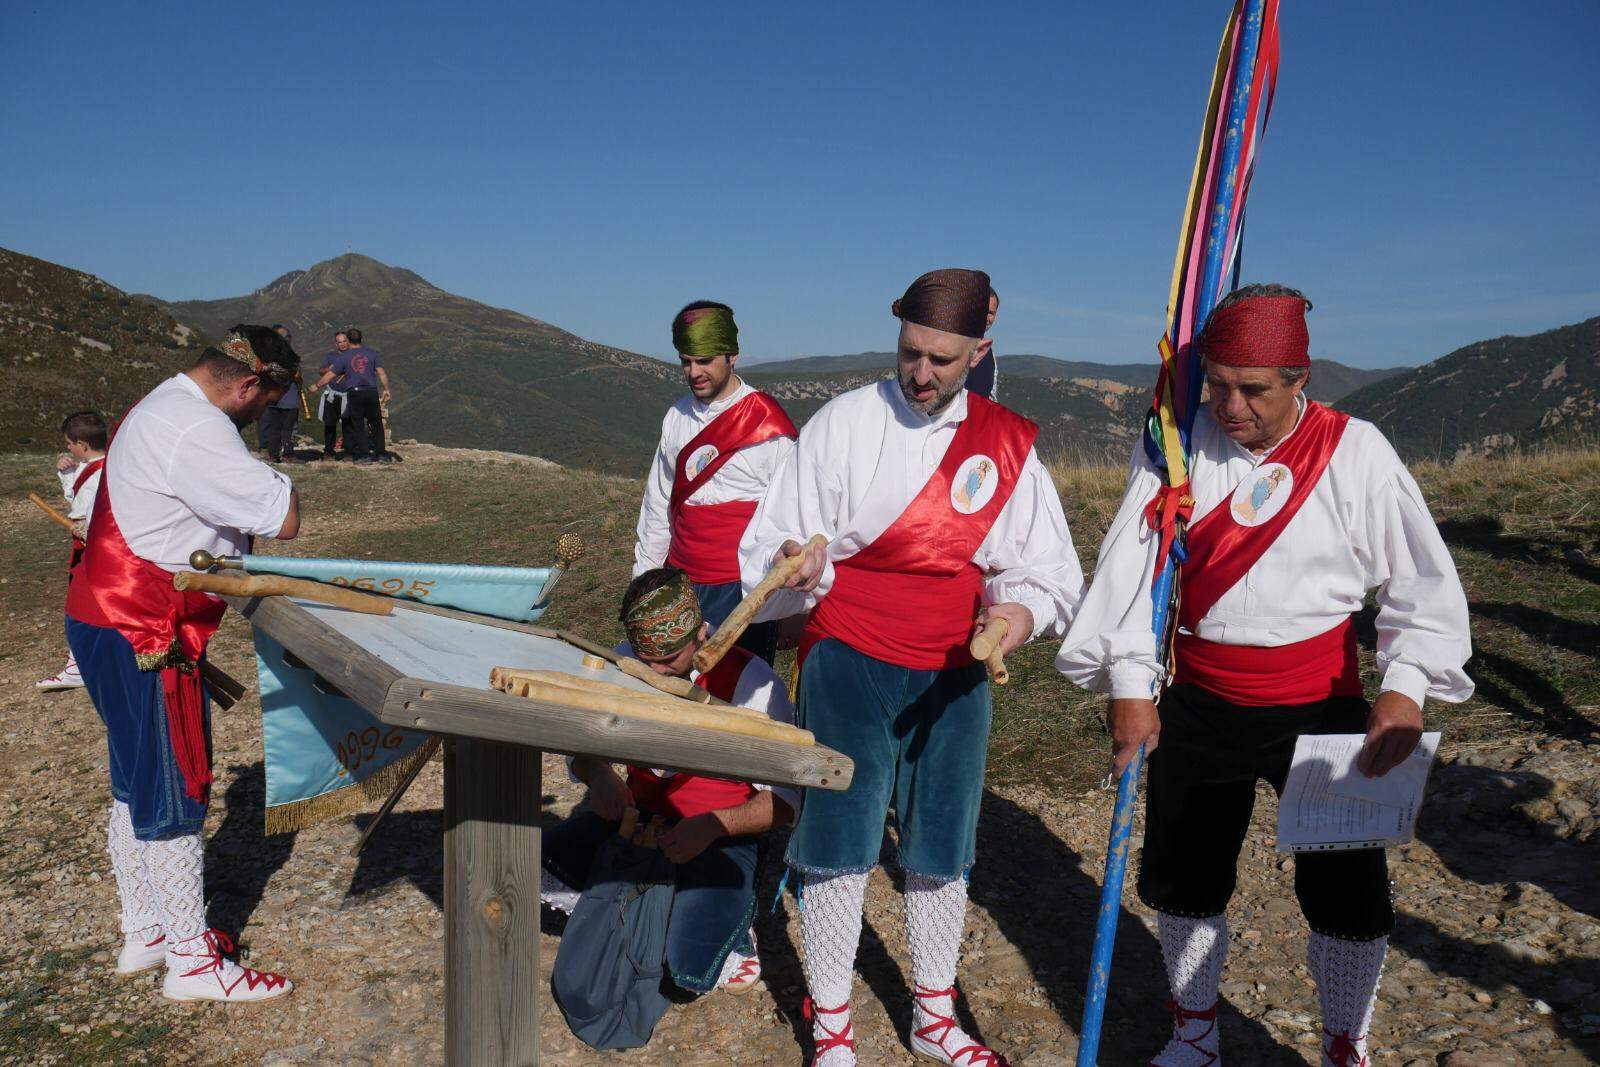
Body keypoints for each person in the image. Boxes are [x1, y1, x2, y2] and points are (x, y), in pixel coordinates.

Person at [1055, 285, 1473, 1067]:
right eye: (1217, 382)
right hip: (1198, 696)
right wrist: (1129, 686)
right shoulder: (1176, 447)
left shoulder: (1359, 451)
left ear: (1298, 379)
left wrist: (1405, 684)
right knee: (1184, 875)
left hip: (1321, 703)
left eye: (1253, 388)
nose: (1230, 403)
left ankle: (1347, 1041)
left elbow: (1421, 581)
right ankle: (1195, 1031)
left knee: (1347, 890)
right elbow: (1132, 572)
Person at [740, 268, 1086, 1066]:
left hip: (954, 663)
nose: (921, 372)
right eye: (910, 352)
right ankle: (829, 1016)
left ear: (980, 351)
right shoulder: (843, 423)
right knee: (837, 837)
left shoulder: (1004, 442)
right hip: (847, 655)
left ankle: (933, 1014)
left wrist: (1014, 617)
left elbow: (1045, 570)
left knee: (940, 844)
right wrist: (795, 561)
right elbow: (772, 540)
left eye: (942, 358)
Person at [65, 324, 304, 1003]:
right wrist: (275, 475)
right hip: (147, 629)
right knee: (174, 788)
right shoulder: (199, 428)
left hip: (98, 612)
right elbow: (284, 514)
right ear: (251, 382)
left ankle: (145, 928)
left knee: (132, 777)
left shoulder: (160, 401)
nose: (265, 414)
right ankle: (194, 961)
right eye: (270, 399)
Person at [540, 568, 796, 1002]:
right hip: (637, 822)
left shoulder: (751, 682)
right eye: (648, 659)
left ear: (701, 634)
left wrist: (714, 825)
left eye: (669, 659)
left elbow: (788, 803)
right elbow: (579, 745)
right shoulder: (627, 663)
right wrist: (599, 773)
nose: (657, 670)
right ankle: (654, 899)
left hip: (718, 833)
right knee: (537, 869)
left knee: (688, 973)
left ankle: (730, 927)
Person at [632, 300, 797, 662]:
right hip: (679, 581)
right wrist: (645, 580)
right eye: (686, 361)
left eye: (704, 361)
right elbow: (659, 503)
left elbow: (792, 516)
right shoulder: (676, 417)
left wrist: (792, 608)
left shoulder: (769, 425)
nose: (694, 372)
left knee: (734, 689)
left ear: (732, 355)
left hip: (740, 587)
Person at [37, 410, 109, 690]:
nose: (67, 447)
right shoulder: (97, 467)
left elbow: (93, 510)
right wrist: (67, 474)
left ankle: (77, 667)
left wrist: (88, 531)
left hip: (95, 548)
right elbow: (77, 501)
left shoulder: (103, 471)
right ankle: (80, 663)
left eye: (69, 442)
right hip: (88, 544)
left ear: (81, 444)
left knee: (81, 606)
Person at [312, 327, 390, 463]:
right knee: (376, 423)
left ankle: (364, 456)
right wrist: (386, 389)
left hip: (354, 393)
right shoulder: (372, 353)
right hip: (371, 391)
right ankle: (382, 454)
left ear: (348, 341)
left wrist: (317, 385)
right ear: (361, 339)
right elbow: (381, 372)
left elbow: (330, 375)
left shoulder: (343, 357)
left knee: (358, 424)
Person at [255, 324, 302, 463]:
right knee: (286, 429)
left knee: (273, 428)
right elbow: (298, 376)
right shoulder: (290, 357)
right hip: (287, 398)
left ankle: (273, 455)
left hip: (271, 397)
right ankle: (286, 454)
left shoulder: (265, 356)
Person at [314, 330, 351, 459]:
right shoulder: (330, 356)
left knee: (348, 424)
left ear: (348, 341)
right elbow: (320, 371)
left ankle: (349, 452)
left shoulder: (354, 356)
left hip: (349, 395)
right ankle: (328, 451)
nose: (342, 344)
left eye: (344, 341)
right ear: (336, 344)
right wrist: (327, 370)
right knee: (329, 423)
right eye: (339, 342)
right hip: (332, 395)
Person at [964, 286, 1001, 400]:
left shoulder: (990, 354)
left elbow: (992, 398)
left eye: (990, 313)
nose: (986, 317)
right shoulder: (948, 346)